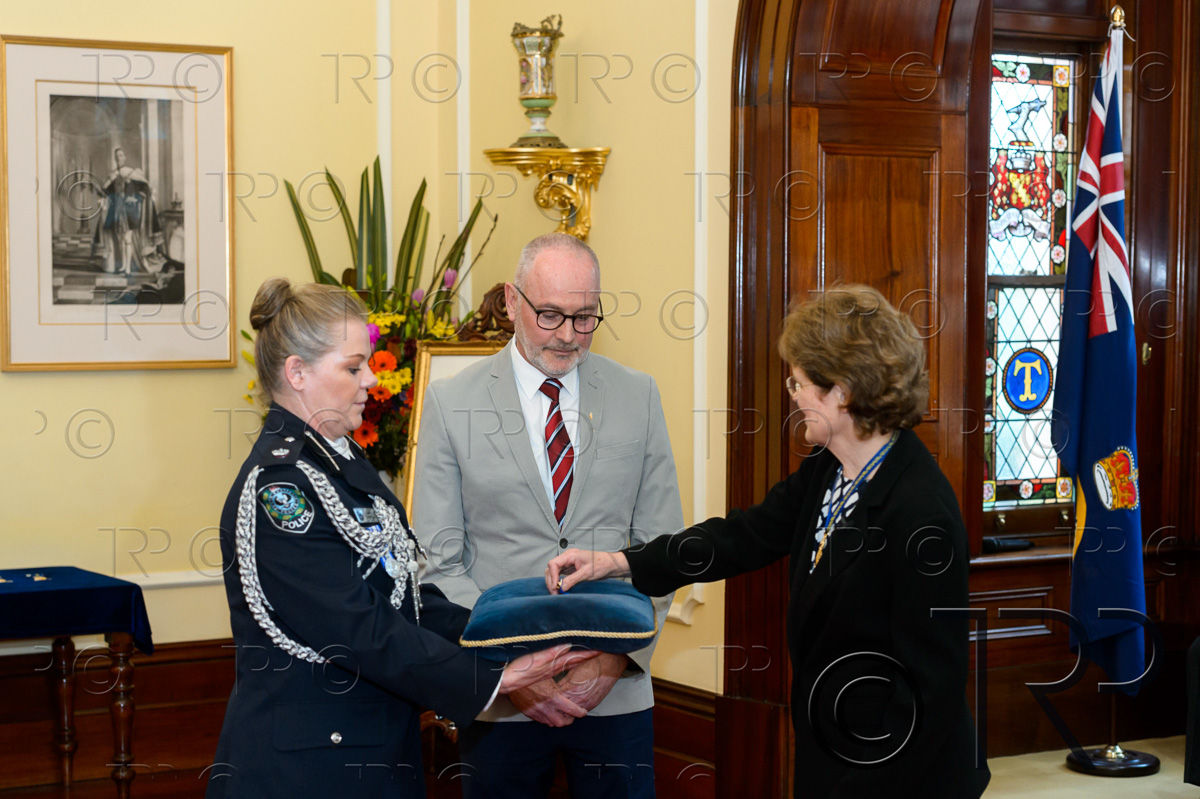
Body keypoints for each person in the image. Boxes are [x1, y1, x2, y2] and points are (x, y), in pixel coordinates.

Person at [547, 285, 992, 798]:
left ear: (843, 391)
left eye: (799, 382)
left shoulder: (921, 512)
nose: (793, 395)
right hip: (835, 748)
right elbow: (742, 536)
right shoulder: (830, 468)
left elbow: (930, 691)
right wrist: (618, 562)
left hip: (896, 775)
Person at [207, 277, 596, 799]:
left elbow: (403, 596)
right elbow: (356, 627)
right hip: (308, 770)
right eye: (353, 367)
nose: (372, 380)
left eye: (368, 364)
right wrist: (490, 680)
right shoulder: (279, 490)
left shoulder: (340, 461)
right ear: (297, 373)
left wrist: (511, 634)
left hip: (372, 752)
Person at [412, 232, 684, 798]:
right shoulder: (450, 402)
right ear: (513, 301)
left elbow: (662, 544)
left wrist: (614, 660)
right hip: (502, 699)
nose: (567, 335)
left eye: (585, 318)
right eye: (551, 315)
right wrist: (517, 671)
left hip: (616, 691)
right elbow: (439, 562)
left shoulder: (638, 394)